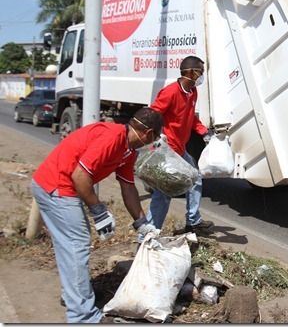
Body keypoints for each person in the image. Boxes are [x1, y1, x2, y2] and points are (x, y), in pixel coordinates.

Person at [31, 107, 163, 323]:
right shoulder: (112, 138)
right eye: (157, 136)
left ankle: (75, 296)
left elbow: (128, 187)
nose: (155, 141)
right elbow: (80, 175)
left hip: (62, 186)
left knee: (71, 246)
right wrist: (99, 211)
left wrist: (142, 222)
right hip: (56, 186)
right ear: (148, 134)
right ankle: (82, 316)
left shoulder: (128, 151)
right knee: (76, 243)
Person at [143, 55, 214, 240]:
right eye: (200, 71)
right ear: (190, 72)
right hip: (166, 151)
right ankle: (147, 238)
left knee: (195, 179)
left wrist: (203, 131)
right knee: (163, 195)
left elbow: (190, 117)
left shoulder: (192, 92)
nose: (201, 76)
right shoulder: (170, 92)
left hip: (179, 149)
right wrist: (158, 135)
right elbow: (153, 114)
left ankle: (193, 221)